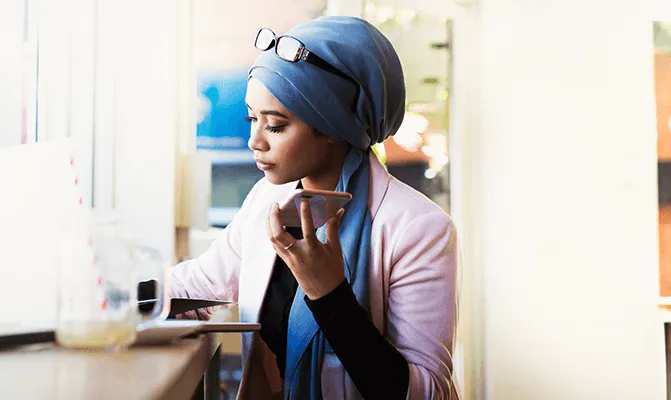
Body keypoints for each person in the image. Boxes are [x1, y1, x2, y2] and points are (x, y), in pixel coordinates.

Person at [170, 16, 458, 400]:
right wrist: (107, 294)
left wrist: (330, 294)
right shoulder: (265, 200)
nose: (254, 141)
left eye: (274, 126)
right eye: (251, 118)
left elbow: (429, 392)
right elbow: (197, 286)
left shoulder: (419, 229)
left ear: (332, 128)